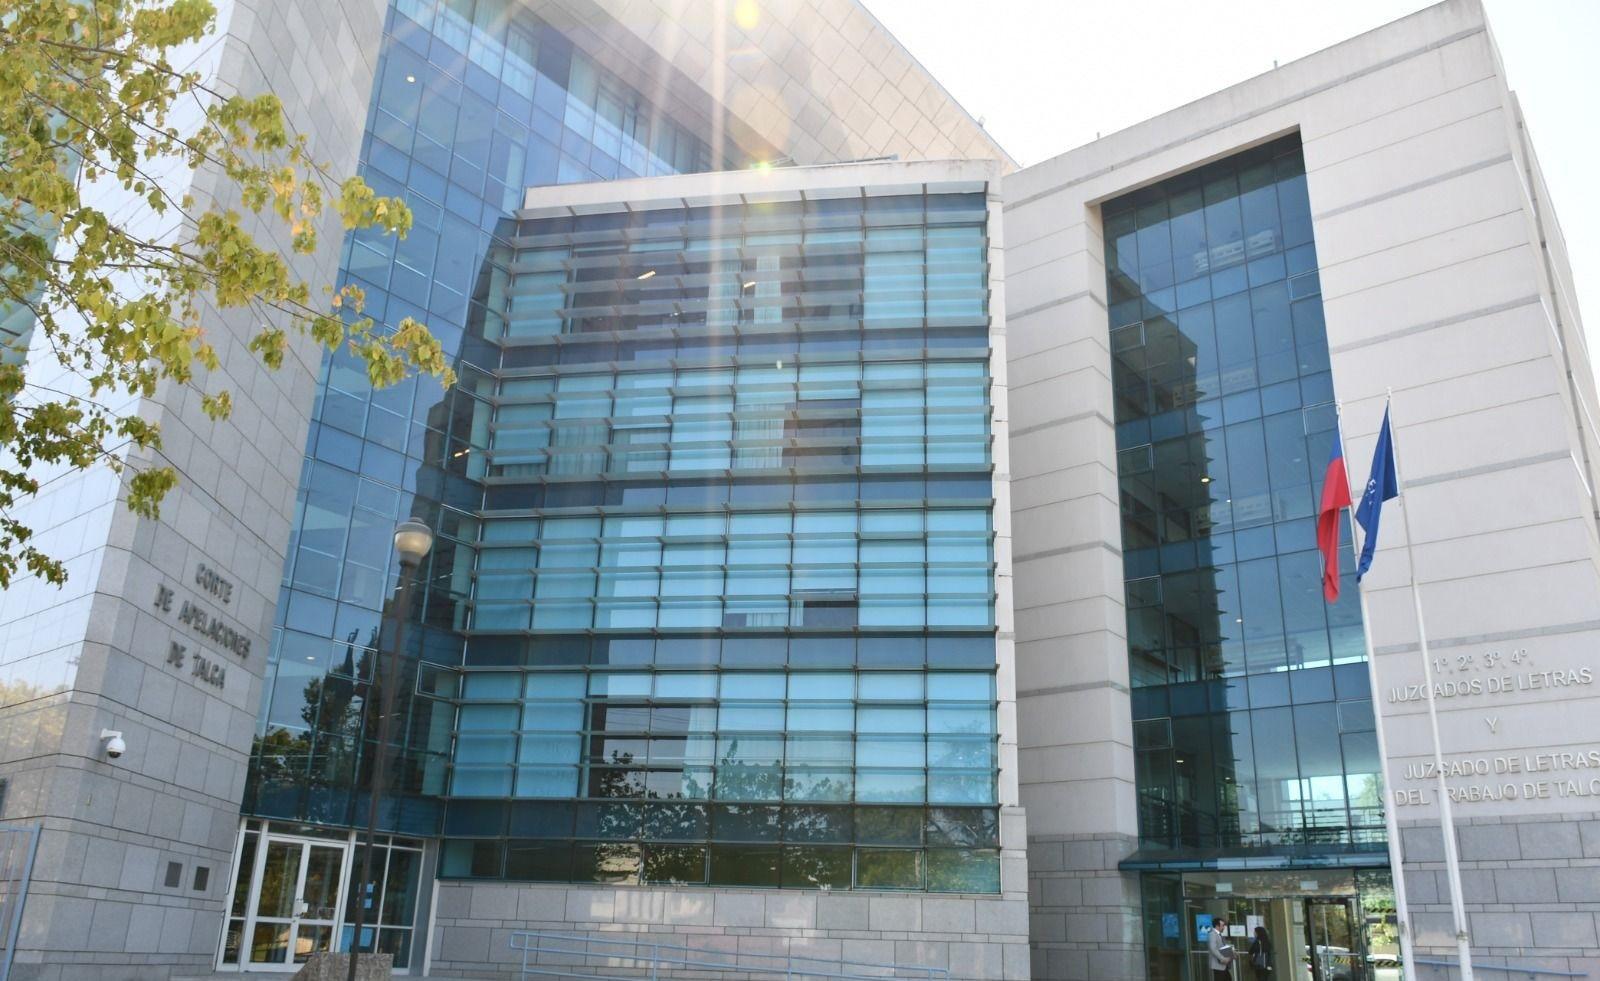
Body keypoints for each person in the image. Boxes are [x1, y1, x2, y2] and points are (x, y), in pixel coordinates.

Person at [1208, 916, 1236, 980]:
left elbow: (1224, 947)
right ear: (1217, 926)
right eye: (1222, 925)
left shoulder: (1219, 934)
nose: (1224, 927)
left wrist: (1232, 953)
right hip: (1218, 964)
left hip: (1223, 964)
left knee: (1228, 978)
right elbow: (1213, 948)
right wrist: (1222, 958)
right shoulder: (1212, 934)